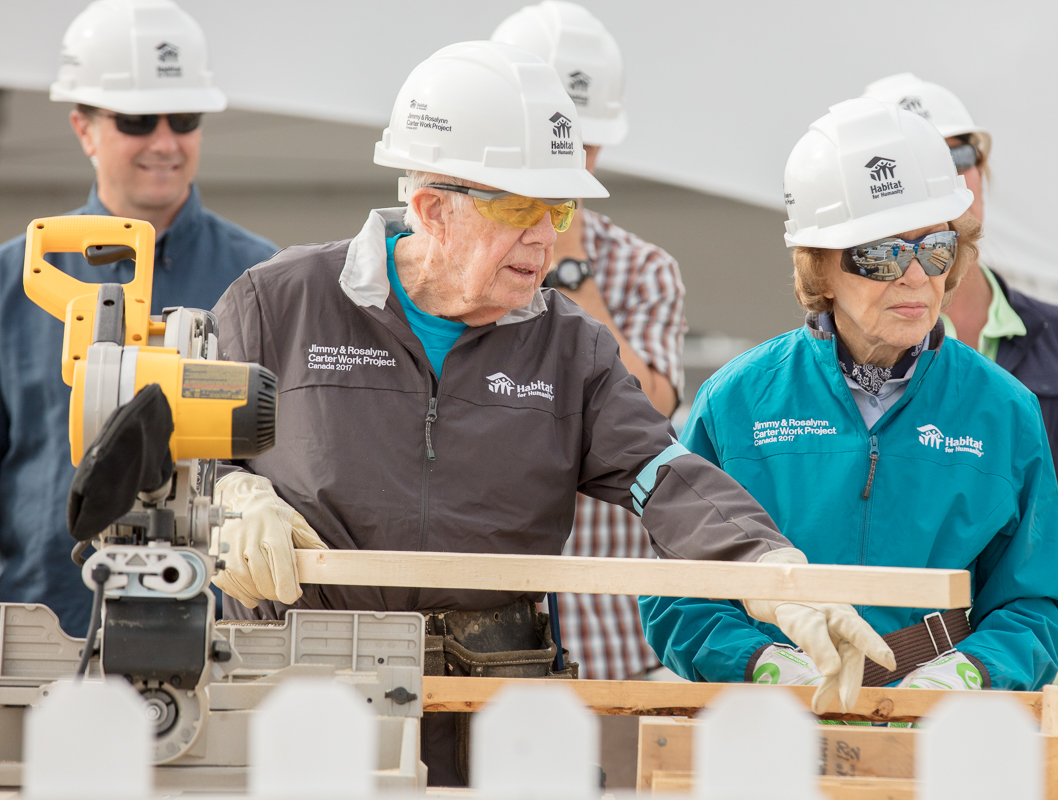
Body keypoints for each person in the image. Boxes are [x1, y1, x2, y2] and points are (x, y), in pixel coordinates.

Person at [209, 42, 892, 786]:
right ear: (433, 207)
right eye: (519, 208)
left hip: (493, 705)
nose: (548, 236)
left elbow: (663, 476)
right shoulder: (277, 304)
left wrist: (775, 572)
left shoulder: (572, 350)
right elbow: (169, 462)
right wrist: (226, 496)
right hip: (299, 700)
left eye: (559, 208)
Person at [640, 97, 1058, 694]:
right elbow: (679, 597)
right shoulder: (737, 402)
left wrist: (968, 674)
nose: (915, 275)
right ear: (819, 266)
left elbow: (1032, 607)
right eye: (881, 253)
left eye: (935, 247)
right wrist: (762, 663)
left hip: (941, 733)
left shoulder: (1005, 412)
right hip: (770, 729)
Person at [0, 0, 276, 636]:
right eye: (134, 119)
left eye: (183, 118)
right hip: (43, 630)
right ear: (83, 128)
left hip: (216, 633)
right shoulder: (15, 283)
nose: (164, 141)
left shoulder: (267, 281)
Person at [864, 73, 1058, 695]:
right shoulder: (835, 359)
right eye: (922, 159)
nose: (951, 175)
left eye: (962, 155)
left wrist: (1019, 660)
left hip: (1036, 682)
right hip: (886, 688)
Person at [492, 0, 685, 684]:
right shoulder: (456, 264)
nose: (569, 158)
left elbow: (648, 412)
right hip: (488, 632)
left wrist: (568, 260)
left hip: (617, 642)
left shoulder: (642, 268)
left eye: (583, 142)